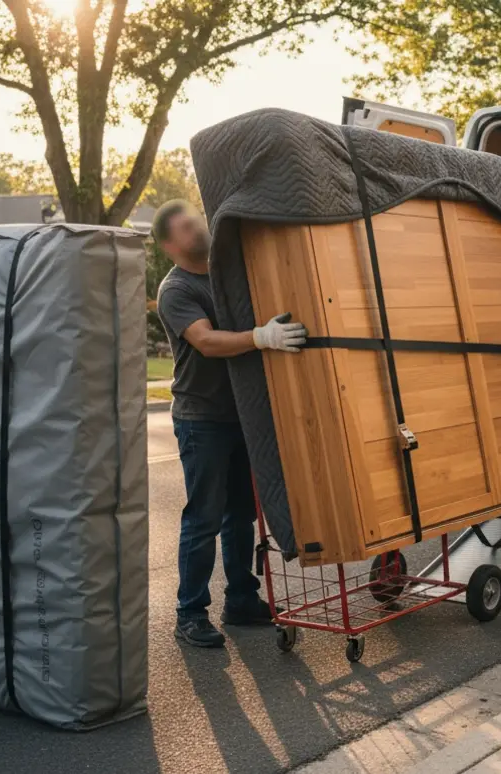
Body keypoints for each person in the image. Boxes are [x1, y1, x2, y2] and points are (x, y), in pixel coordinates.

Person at [153, 200, 307, 648]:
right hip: (202, 419)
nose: (197, 229)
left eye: (196, 221)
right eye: (185, 227)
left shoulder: (224, 274)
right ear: (169, 245)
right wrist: (262, 338)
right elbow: (205, 341)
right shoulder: (176, 289)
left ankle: (241, 599)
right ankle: (189, 613)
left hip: (240, 414)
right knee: (203, 518)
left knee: (240, 515)